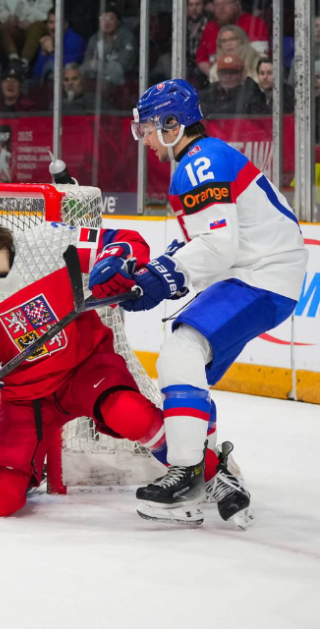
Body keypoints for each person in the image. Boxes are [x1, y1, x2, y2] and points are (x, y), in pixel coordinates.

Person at [102, 78, 307, 527]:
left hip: (262, 276)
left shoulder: (198, 163)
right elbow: (207, 243)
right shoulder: (203, 159)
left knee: (181, 350)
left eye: (150, 129)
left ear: (173, 124)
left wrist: (160, 278)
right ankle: (214, 471)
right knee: (186, 363)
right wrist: (152, 275)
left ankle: (188, 472)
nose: (147, 141)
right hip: (261, 273)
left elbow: (217, 246)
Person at [0, 194, 181, 518]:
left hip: (85, 369)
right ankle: (20, 469)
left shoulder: (49, 242)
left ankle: (195, 468)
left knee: (131, 414)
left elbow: (123, 241)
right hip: (25, 397)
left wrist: (116, 261)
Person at [195, 0, 268, 77]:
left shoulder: (254, 24)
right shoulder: (210, 28)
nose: (221, 8)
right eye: (217, 4)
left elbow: (260, 59)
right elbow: (201, 59)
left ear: (238, 5)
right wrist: (216, 76)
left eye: (226, 3)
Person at [0, 0, 52, 72]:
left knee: (37, 26)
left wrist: (30, 19)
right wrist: (9, 17)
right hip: (15, 28)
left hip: (33, 26)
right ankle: (14, 60)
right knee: (3, 27)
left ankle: (24, 62)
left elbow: (47, 7)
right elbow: (0, 10)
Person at [81, 4, 136, 87]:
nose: (106, 23)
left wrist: (97, 65)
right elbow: (86, 64)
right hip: (97, 81)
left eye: (111, 18)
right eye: (103, 19)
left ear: (118, 21)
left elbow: (122, 66)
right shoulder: (95, 38)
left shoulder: (127, 37)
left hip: (124, 82)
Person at [199, 53, 267, 115]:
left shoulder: (251, 90)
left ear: (242, 74)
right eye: (224, 73)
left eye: (232, 72)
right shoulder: (210, 91)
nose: (228, 76)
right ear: (218, 75)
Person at [32, 9, 86, 83]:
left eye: (57, 22)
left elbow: (67, 71)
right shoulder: (48, 40)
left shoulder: (74, 40)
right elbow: (37, 74)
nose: (54, 27)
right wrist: (44, 53)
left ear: (66, 24)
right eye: (51, 22)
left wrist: (51, 51)